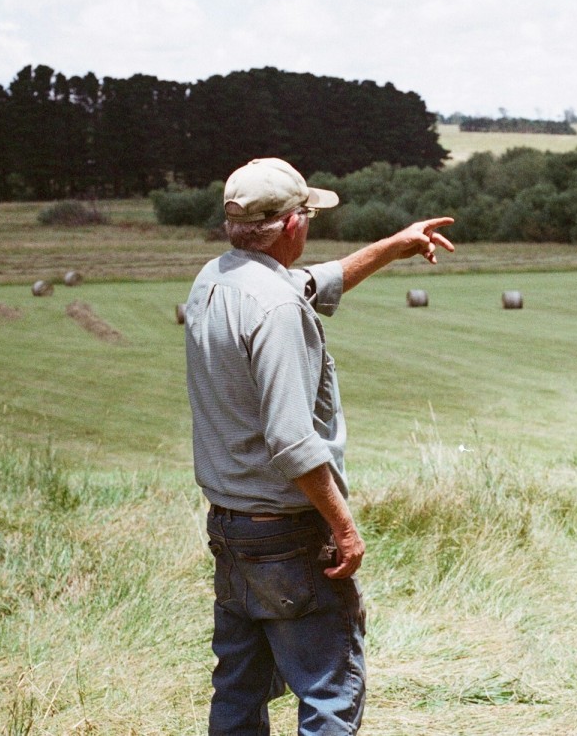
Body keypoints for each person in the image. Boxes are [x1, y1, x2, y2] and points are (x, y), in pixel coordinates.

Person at [185, 157, 454, 735]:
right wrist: (344, 527)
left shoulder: (216, 279)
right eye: (306, 212)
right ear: (290, 226)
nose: (310, 224)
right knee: (329, 693)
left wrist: (396, 245)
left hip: (231, 527)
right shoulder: (278, 309)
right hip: (286, 532)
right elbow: (292, 440)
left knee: (238, 689)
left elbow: (319, 280)